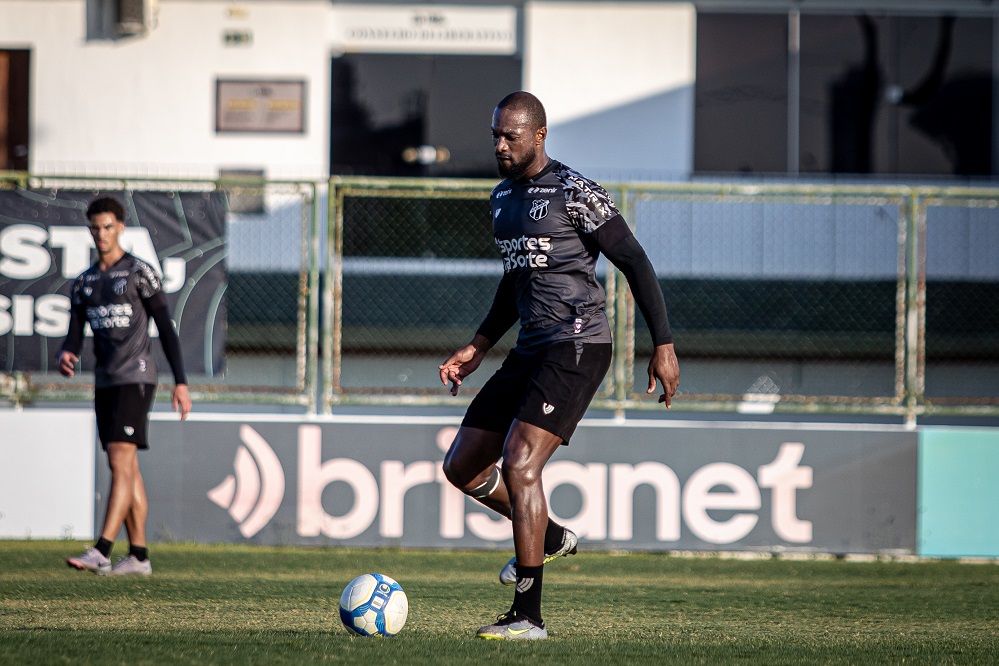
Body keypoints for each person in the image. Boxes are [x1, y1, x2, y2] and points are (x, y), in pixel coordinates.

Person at [439, 91, 680, 640]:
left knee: (521, 465)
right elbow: (515, 281)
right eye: (496, 134)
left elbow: (635, 262)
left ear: (539, 135)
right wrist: (478, 346)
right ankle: (547, 538)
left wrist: (662, 344)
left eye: (511, 136)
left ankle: (528, 616)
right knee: (462, 465)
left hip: (577, 346)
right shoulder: (501, 198)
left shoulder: (576, 192)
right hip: (530, 346)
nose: (500, 145)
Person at [62, 196, 192, 576]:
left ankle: (102, 548)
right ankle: (138, 555)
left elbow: (166, 330)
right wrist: (67, 354)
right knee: (126, 467)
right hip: (105, 380)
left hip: (136, 376)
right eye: (94, 228)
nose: (100, 234)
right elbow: (73, 335)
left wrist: (180, 382)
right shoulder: (84, 282)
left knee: (120, 458)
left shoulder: (139, 272)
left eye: (107, 226)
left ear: (120, 226)